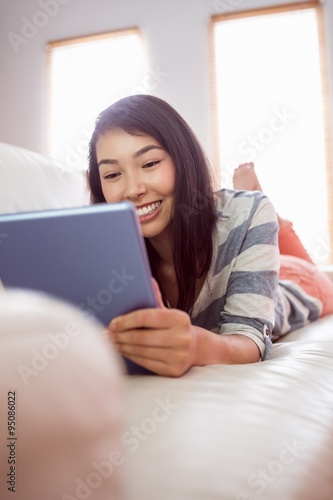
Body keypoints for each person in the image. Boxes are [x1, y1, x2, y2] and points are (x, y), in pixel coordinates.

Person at [87, 94, 333, 377]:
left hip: (294, 283)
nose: (132, 190)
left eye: (150, 163)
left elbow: (250, 338)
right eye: (113, 174)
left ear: (183, 159)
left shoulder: (246, 215)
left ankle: (266, 212)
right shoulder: (104, 252)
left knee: (316, 279)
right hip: (246, 248)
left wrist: (196, 346)